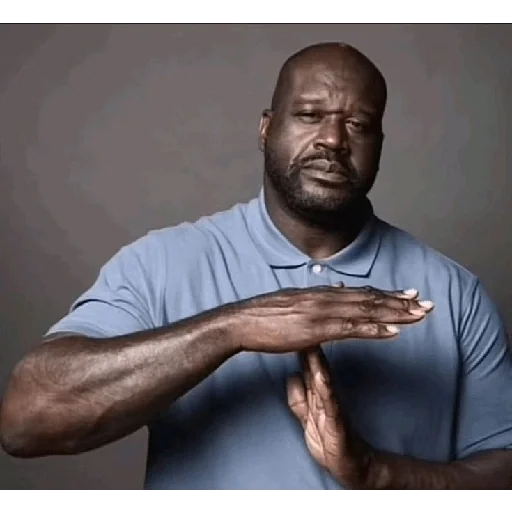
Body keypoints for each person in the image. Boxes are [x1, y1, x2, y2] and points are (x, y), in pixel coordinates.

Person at [1, 42, 512, 495]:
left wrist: (377, 473)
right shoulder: (163, 262)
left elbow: (502, 470)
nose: (334, 140)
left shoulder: (453, 293)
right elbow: (26, 420)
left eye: (358, 124)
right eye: (310, 114)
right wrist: (234, 326)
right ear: (267, 128)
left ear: (379, 143)